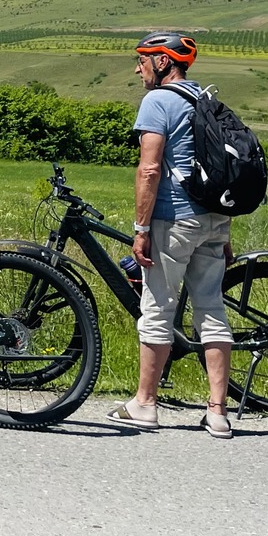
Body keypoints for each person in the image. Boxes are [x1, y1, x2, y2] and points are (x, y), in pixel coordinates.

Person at [107, 32, 236, 438]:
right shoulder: (205, 98)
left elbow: (149, 169)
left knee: (158, 307)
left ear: (163, 62)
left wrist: (141, 229)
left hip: (174, 218)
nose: (137, 68)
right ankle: (217, 412)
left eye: (142, 60)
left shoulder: (158, 101)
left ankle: (145, 403)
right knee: (211, 309)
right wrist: (223, 227)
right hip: (214, 217)